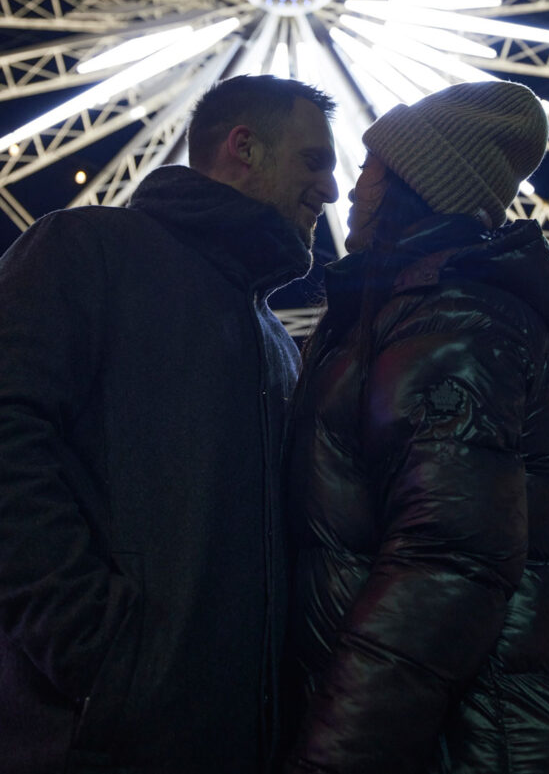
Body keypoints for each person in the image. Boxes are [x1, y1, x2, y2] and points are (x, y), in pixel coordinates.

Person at [0, 74, 338, 774]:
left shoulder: (273, 338)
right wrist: (99, 652)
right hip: (92, 741)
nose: (330, 190)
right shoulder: (86, 250)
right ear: (243, 147)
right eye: (314, 160)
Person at [285, 80, 549, 773]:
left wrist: (337, 749)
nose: (352, 187)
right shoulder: (419, 308)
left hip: (463, 741)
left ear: (414, 182)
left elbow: (444, 566)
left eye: (372, 169)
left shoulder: (454, 318)